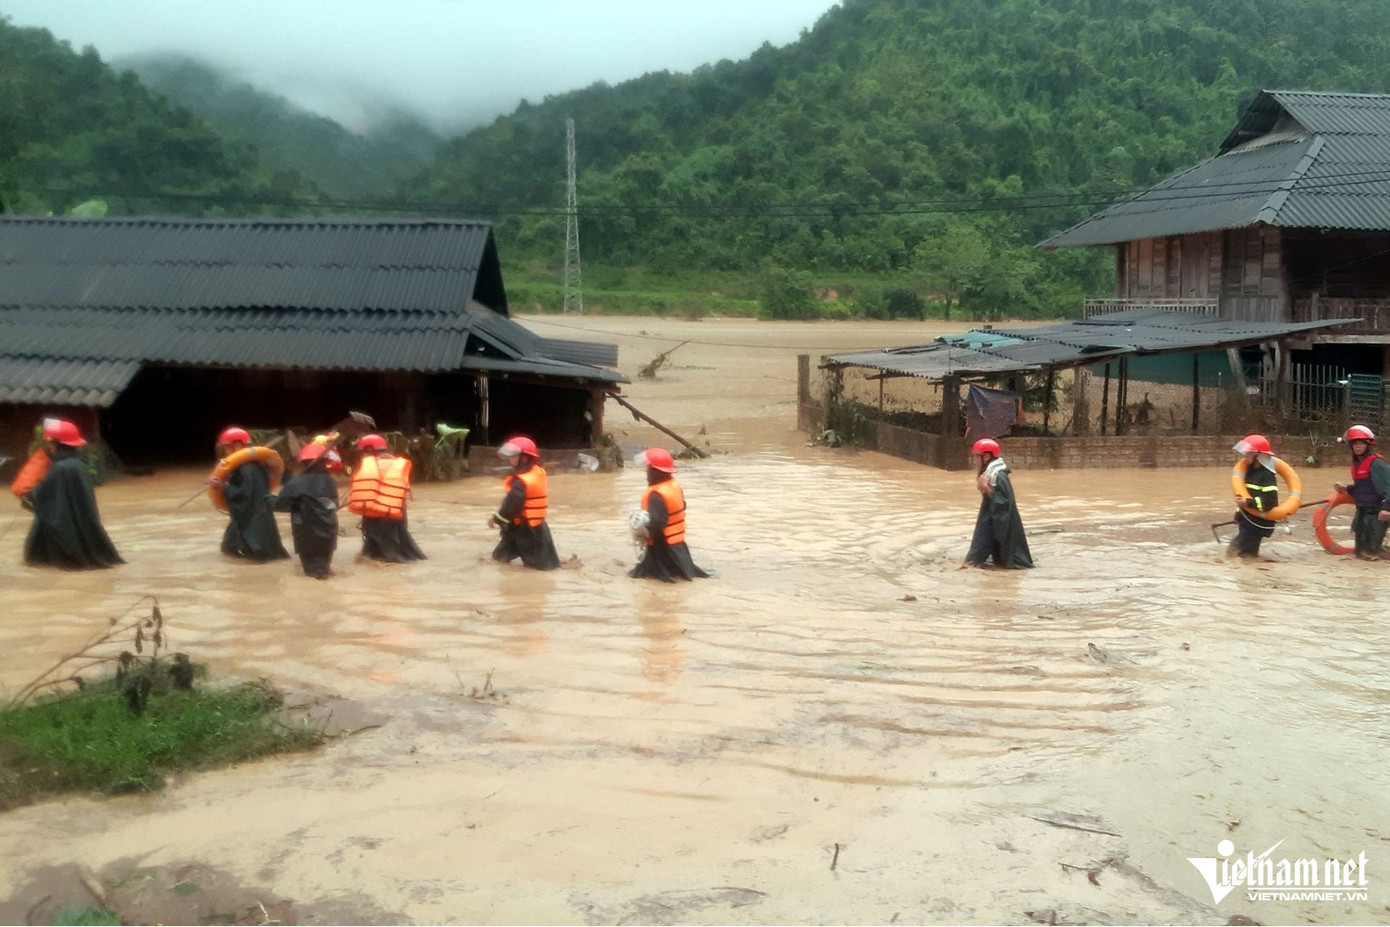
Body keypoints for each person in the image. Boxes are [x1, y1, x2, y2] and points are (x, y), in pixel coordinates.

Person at [22, 418, 123, 570]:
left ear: (57, 443)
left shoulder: (60, 468)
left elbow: (45, 495)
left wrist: (30, 495)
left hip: (65, 530)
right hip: (82, 525)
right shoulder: (79, 466)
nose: (49, 446)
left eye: (50, 442)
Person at [629, 447, 708, 583]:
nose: (647, 472)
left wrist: (641, 531)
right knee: (684, 578)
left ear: (656, 472)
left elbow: (657, 525)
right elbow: (682, 506)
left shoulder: (656, 495)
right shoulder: (674, 486)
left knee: (638, 579)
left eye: (649, 468)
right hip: (678, 549)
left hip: (662, 549)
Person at [211, 426, 289, 563]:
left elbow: (243, 494)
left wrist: (223, 487)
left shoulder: (247, 468)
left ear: (236, 445)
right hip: (256, 510)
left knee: (253, 551)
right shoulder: (255, 465)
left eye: (227, 447)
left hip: (251, 514)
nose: (226, 451)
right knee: (230, 546)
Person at [348, 433, 426, 562]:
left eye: (364, 452)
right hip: (396, 509)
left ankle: (385, 561)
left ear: (369, 449)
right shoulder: (396, 462)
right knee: (398, 537)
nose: (363, 455)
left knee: (379, 547)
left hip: (375, 510)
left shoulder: (369, 464)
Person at [487, 436, 560, 570]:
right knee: (498, 558)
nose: (511, 460)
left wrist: (495, 518)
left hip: (527, 531)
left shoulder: (521, 482)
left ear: (525, 458)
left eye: (514, 456)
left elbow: (511, 506)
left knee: (541, 569)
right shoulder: (538, 471)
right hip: (529, 526)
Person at [269, 443, 339, 579]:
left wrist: (268, 498)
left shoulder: (297, 482)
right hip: (329, 534)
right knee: (323, 571)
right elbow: (334, 504)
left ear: (303, 462)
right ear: (324, 462)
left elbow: (281, 504)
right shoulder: (330, 481)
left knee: (311, 574)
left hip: (307, 536)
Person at [1227, 433, 1301, 560]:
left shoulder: (1267, 476)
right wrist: (1238, 515)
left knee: (1242, 554)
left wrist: (1248, 503)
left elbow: (1269, 501)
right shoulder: (1249, 472)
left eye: (1248, 453)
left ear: (1258, 455)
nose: (1245, 456)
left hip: (1257, 523)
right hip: (1247, 521)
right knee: (1235, 551)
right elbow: (1244, 496)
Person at [963, 437, 1033, 569]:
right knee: (977, 561)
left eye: (977, 457)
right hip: (991, 521)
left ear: (987, 457)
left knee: (972, 563)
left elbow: (1004, 504)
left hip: (994, 523)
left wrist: (986, 488)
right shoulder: (991, 473)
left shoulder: (999, 476)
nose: (975, 461)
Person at [1333, 424, 1390, 561]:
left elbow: (1388, 487)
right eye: (1355, 444)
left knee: (1370, 552)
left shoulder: (1377, 464)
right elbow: (1364, 488)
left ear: (1368, 445)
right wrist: (1347, 489)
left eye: (1361, 444)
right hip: (1363, 510)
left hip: (1378, 511)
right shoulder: (1358, 465)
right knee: (1360, 552)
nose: (1358, 447)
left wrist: (1386, 508)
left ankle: (1380, 550)